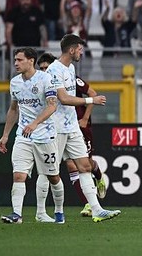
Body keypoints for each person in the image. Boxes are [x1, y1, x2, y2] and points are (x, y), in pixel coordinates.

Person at [42, 34, 120, 222]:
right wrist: (90, 100)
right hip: (57, 128)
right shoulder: (54, 70)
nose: (81, 52)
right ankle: (41, 212)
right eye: (79, 48)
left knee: (84, 166)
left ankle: (97, 210)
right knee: (50, 171)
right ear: (71, 49)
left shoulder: (71, 68)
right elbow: (63, 98)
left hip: (72, 127)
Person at [0, 48, 65, 224]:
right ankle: (17, 214)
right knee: (19, 175)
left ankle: (59, 212)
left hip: (45, 136)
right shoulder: (15, 83)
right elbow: (13, 109)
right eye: (15, 60)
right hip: (23, 136)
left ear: (31, 61)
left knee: (53, 177)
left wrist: (35, 124)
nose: (16, 63)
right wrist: (5, 135)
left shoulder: (46, 79)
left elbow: (52, 106)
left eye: (19, 60)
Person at [37, 53, 107, 218]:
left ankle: (99, 176)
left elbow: (92, 94)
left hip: (80, 126)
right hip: (60, 129)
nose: (45, 71)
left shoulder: (71, 78)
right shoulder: (43, 84)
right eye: (42, 69)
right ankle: (88, 204)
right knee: (70, 166)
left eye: (47, 67)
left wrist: (85, 118)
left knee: (87, 163)